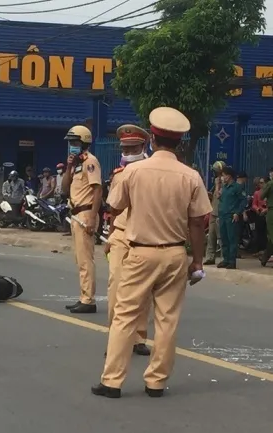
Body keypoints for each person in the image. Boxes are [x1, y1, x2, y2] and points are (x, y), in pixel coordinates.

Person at [92, 107, 212, 399]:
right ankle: (156, 382)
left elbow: (115, 207)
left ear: (152, 140)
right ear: (179, 142)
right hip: (174, 254)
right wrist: (196, 260)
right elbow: (199, 222)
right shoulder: (191, 176)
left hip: (140, 252)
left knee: (125, 316)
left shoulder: (132, 172)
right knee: (167, 319)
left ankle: (112, 382)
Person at [103, 124, 151, 357]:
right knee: (116, 286)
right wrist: (110, 236)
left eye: (133, 147)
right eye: (125, 148)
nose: (129, 152)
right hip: (122, 234)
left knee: (142, 290)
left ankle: (139, 337)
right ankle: (117, 337)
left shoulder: (153, 172)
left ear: (143, 146)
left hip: (145, 235)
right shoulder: (118, 175)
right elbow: (113, 209)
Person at [61, 125, 102, 314]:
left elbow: (97, 190)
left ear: (84, 143)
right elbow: (64, 188)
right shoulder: (76, 164)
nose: (72, 146)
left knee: (86, 259)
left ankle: (88, 300)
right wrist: (69, 166)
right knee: (80, 259)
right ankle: (83, 296)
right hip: (76, 214)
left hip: (86, 214)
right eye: (70, 143)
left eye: (75, 142)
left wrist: (93, 218)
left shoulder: (90, 162)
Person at [216, 166, 247, 269]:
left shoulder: (237, 187)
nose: (222, 177)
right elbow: (222, 201)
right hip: (223, 215)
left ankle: (232, 261)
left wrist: (237, 212)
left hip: (231, 216)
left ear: (228, 176)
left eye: (223, 175)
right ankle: (226, 259)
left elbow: (243, 201)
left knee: (232, 239)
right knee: (224, 239)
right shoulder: (224, 187)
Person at [204, 161, 225, 265]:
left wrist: (217, 185)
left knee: (221, 236)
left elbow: (218, 195)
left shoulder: (224, 182)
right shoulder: (217, 180)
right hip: (213, 211)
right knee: (211, 235)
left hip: (220, 212)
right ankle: (210, 256)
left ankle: (223, 258)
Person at [258, 168, 273, 266]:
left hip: (272, 211)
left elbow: (261, 196)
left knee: (271, 236)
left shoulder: (270, 184)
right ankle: (265, 257)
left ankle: (265, 257)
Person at [252, 177, 268, 252]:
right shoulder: (257, 193)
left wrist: (266, 210)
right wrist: (257, 209)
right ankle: (260, 249)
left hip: (268, 214)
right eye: (260, 183)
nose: (260, 184)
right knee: (259, 232)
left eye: (262, 183)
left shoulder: (269, 192)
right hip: (260, 214)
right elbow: (254, 204)